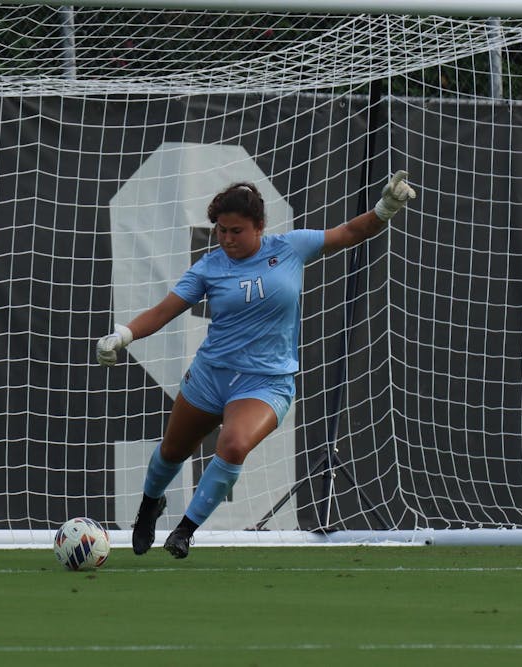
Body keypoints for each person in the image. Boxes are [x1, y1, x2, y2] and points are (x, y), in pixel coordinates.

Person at [96, 171, 416, 558]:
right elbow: (165, 311)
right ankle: (150, 505)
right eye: (221, 231)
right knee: (172, 452)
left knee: (233, 445)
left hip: (266, 383)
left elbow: (349, 232)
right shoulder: (208, 267)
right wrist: (124, 335)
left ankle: (184, 530)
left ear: (260, 226)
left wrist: (386, 207)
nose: (228, 239)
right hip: (210, 376)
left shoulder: (292, 247)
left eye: (237, 231)